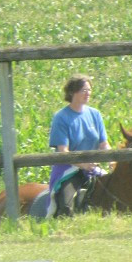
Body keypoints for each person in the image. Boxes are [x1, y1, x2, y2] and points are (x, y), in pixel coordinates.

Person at [47, 74, 110, 216]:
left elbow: (104, 144)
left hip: (93, 168)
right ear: (72, 92)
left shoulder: (95, 114)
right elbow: (63, 151)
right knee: (66, 204)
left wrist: (113, 159)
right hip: (69, 170)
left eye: (89, 90)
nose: (88, 93)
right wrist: (83, 165)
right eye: (83, 90)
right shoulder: (61, 117)